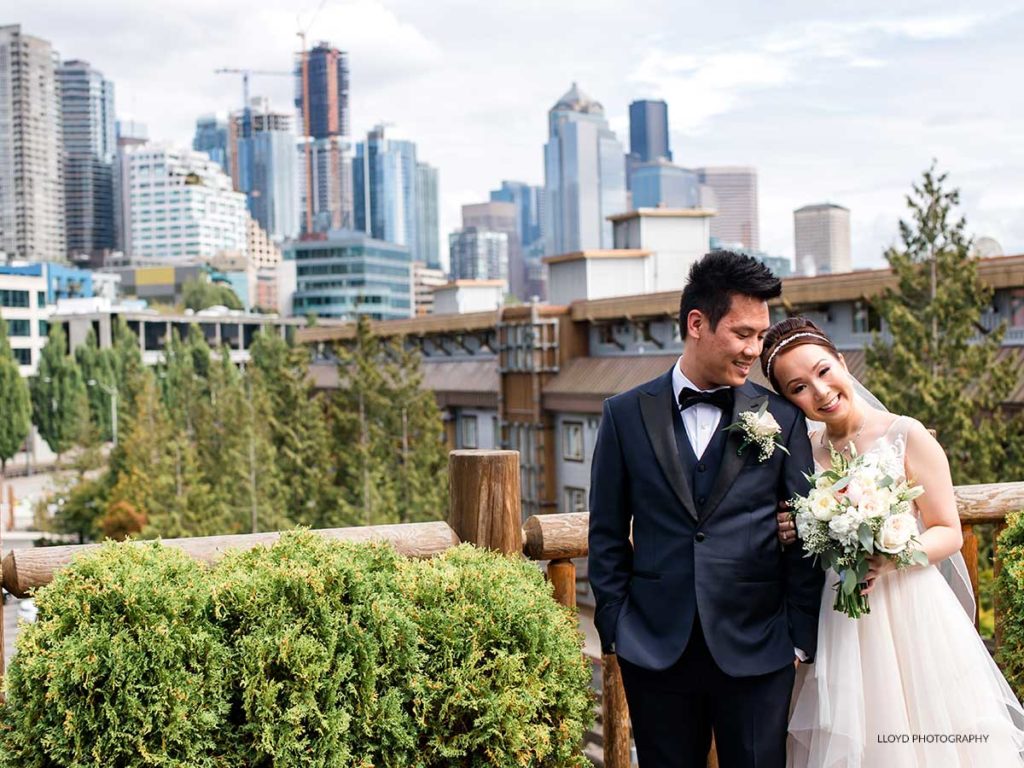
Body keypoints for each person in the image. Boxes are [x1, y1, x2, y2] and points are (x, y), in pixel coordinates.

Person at [588, 251, 825, 768]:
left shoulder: (780, 417)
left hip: (760, 648)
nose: (753, 350)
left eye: (760, 336)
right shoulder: (624, 415)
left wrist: (797, 636)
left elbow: (808, 531)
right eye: (743, 333)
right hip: (654, 649)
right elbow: (606, 533)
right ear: (697, 323)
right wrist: (616, 627)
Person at [763, 316, 1024, 767]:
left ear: (842, 362)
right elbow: (799, 520)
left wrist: (890, 557)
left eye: (823, 371)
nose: (820, 392)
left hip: (910, 612)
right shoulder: (804, 448)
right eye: (798, 387)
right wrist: (795, 527)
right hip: (837, 621)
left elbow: (946, 530)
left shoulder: (905, 434)